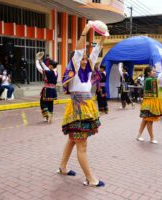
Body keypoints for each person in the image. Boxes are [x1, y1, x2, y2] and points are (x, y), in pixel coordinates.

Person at [59, 22, 107, 187]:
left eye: (86, 58)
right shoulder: (74, 69)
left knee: (73, 141)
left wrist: (103, 37)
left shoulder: (88, 71)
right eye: (82, 59)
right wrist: (85, 32)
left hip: (87, 109)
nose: (85, 60)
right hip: (78, 110)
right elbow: (79, 52)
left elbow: (96, 51)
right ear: (75, 61)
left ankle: (63, 167)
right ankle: (90, 179)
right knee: (82, 145)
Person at [136, 61, 162, 143]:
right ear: (148, 73)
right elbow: (160, 80)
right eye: (153, 71)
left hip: (151, 103)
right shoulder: (149, 80)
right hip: (150, 104)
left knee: (145, 120)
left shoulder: (152, 80)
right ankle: (152, 138)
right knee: (149, 121)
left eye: (155, 71)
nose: (154, 72)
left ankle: (138, 135)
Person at [35, 53, 58, 123]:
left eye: (49, 65)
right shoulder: (55, 72)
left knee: (43, 102)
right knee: (50, 103)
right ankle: (50, 115)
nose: (48, 66)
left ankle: (47, 115)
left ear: (51, 66)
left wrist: (36, 61)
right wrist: (41, 61)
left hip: (47, 90)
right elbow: (45, 67)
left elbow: (40, 69)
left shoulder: (49, 72)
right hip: (53, 90)